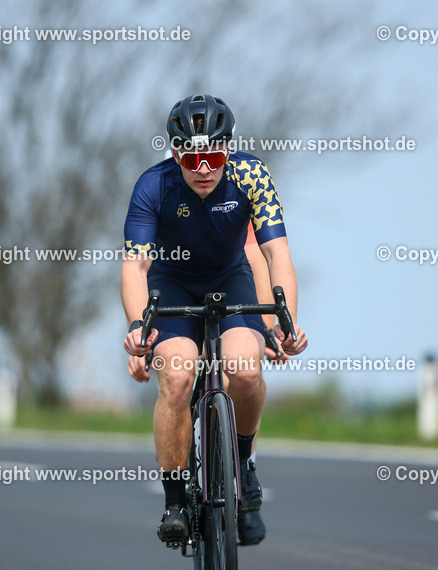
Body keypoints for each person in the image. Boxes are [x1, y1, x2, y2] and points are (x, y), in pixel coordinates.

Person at [121, 94, 308, 547]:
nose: (203, 168)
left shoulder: (251, 175)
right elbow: (135, 267)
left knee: (244, 370)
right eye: (191, 158)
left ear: (229, 149)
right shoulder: (153, 185)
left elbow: (275, 253)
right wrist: (137, 327)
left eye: (214, 157)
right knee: (177, 376)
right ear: (175, 154)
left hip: (230, 279)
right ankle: (174, 502)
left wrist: (285, 321)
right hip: (172, 283)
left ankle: (242, 464)